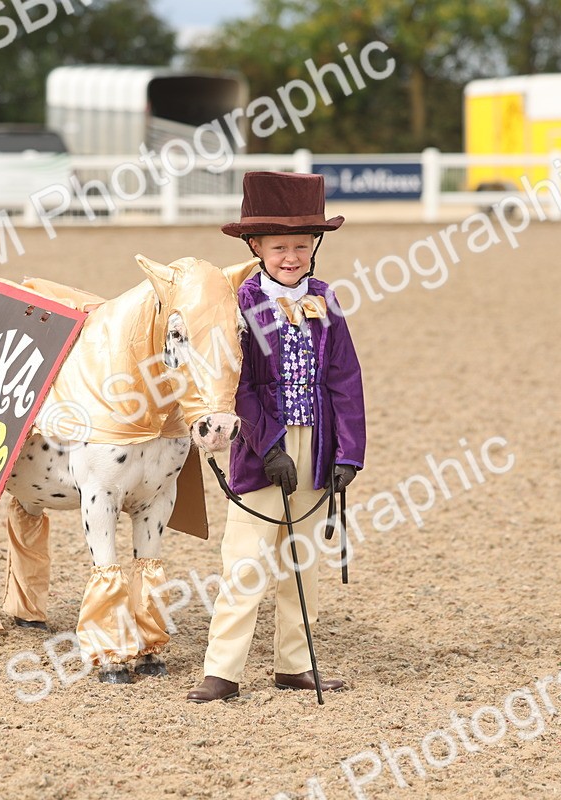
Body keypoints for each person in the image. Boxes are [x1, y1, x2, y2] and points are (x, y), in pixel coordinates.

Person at [187, 171, 366, 702]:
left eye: (302, 245)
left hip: (316, 445)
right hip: (262, 447)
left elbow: (344, 378)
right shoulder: (241, 304)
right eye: (280, 247)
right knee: (246, 559)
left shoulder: (325, 300)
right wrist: (267, 447)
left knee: (302, 561)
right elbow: (238, 384)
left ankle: (295, 663)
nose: (292, 256)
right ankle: (222, 670)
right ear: (256, 247)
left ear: (314, 247)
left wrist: (348, 453)